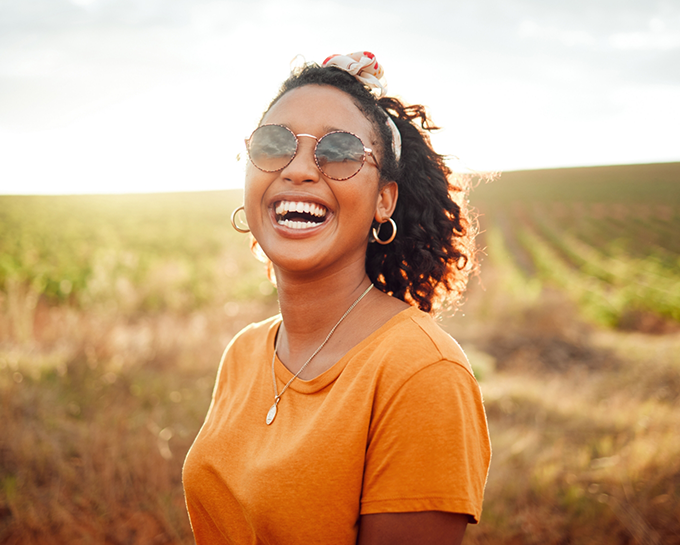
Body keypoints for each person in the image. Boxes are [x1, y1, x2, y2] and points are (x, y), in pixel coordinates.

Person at [182, 51, 491, 545]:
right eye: (273, 144)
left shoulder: (421, 375)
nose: (299, 169)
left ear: (384, 199)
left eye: (340, 151)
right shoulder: (244, 352)